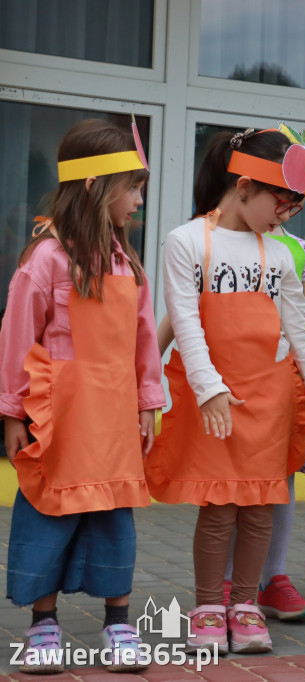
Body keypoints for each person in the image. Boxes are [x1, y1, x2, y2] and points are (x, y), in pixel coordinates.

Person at [145, 124, 305, 654]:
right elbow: (185, 321)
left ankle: (246, 606)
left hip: (270, 398)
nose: (285, 215)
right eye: (281, 201)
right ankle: (208, 606)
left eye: (294, 208)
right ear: (245, 185)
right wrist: (207, 388)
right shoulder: (186, 241)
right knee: (219, 506)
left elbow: (297, 323)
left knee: (260, 507)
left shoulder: (279, 253)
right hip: (216, 402)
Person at [0, 118, 161, 673]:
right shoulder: (43, 261)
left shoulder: (126, 263)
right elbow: (17, 339)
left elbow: (144, 340)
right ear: (95, 185)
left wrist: (147, 401)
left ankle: (119, 621)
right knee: (48, 512)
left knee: (114, 518)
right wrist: (12, 412)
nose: (140, 200)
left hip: (113, 419)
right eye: (133, 187)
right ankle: (43, 624)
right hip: (59, 420)